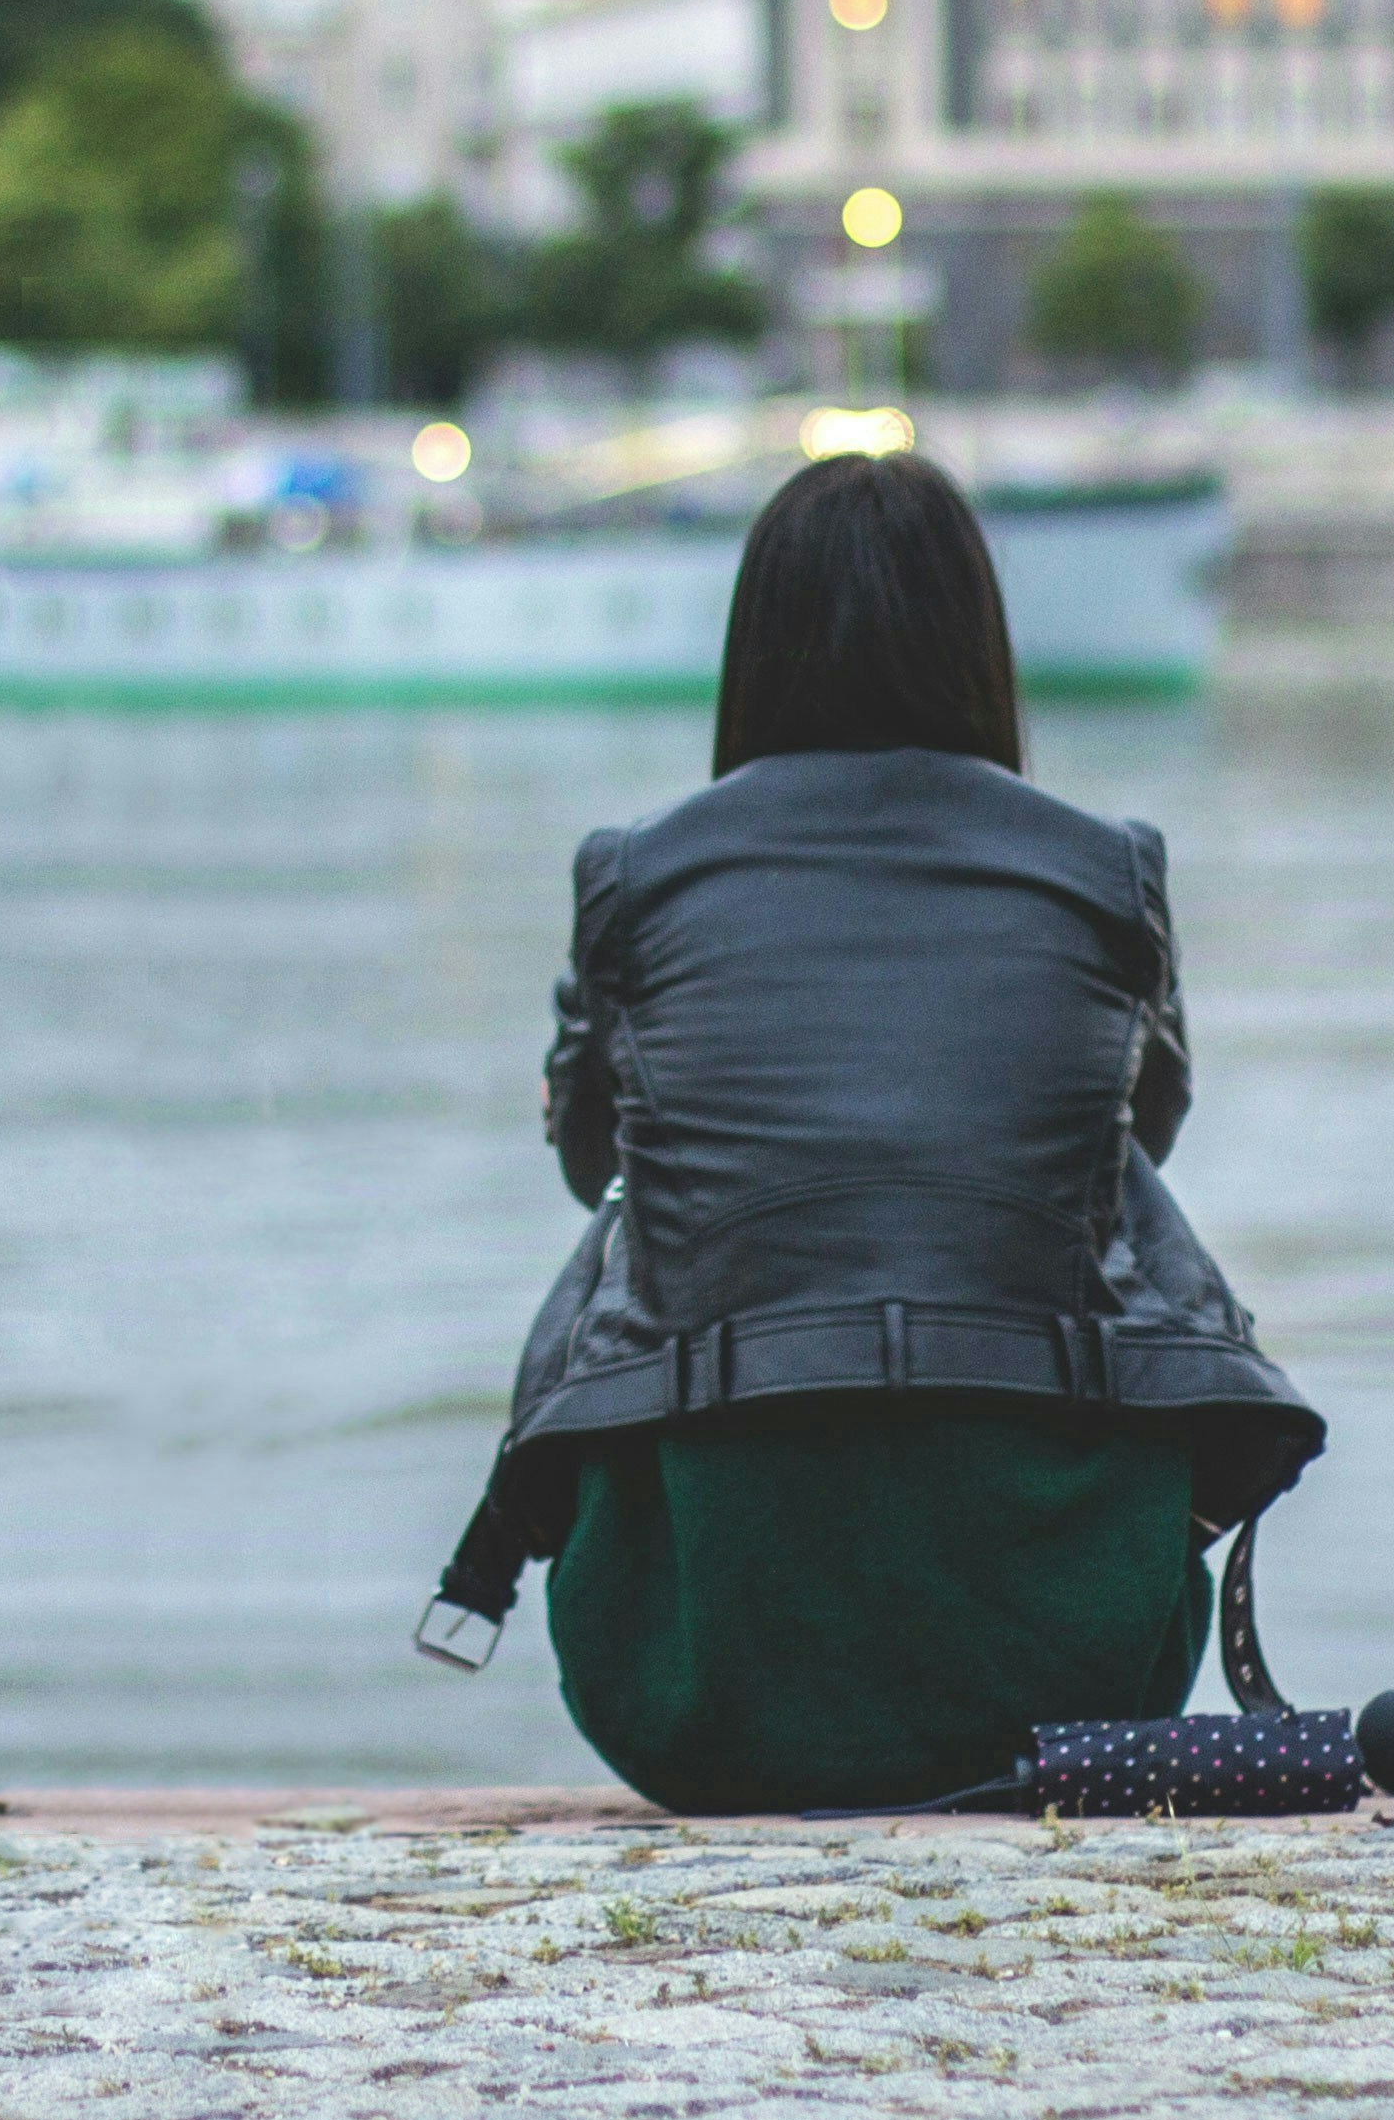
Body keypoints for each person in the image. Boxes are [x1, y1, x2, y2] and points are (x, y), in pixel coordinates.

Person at [425, 450, 1323, 1813]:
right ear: (979, 643)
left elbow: (583, 1163)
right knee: (1099, 1181)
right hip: (1072, 1660)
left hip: (685, 1677)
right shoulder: (1103, 870)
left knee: (647, 1212)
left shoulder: (633, 874)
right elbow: (1152, 1128)